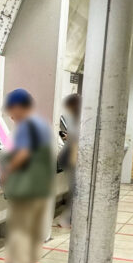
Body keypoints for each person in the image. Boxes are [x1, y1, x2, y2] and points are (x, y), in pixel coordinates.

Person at [0, 88, 56, 263]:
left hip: (26, 188)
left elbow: (23, 153)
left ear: (18, 107)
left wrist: (7, 171)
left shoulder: (26, 126)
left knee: (20, 227)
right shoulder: (42, 124)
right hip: (40, 186)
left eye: (12, 111)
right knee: (31, 228)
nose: (12, 117)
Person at [55, 93, 80, 228]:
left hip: (74, 162)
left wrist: (71, 163)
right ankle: (70, 218)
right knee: (75, 191)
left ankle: (69, 219)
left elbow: (76, 143)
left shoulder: (78, 120)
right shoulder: (81, 119)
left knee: (74, 191)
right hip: (76, 162)